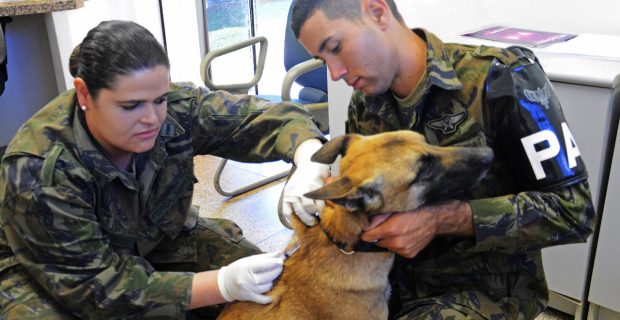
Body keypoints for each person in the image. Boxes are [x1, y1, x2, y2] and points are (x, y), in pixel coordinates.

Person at [0, 20, 329, 319]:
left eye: (158, 99)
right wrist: (222, 285)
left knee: (276, 288)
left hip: (155, 241)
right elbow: (98, 291)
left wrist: (308, 156)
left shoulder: (173, 107)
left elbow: (261, 118)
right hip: (60, 272)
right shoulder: (39, 169)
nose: (152, 119)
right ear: (85, 93)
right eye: (131, 106)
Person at [290, 0, 596, 319]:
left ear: (377, 12)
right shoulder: (365, 104)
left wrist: (442, 220)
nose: (335, 73)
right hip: (390, 282)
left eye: (336, 47)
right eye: (323, 60)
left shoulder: (502, 76)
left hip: (482, 291)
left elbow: (573, 211)